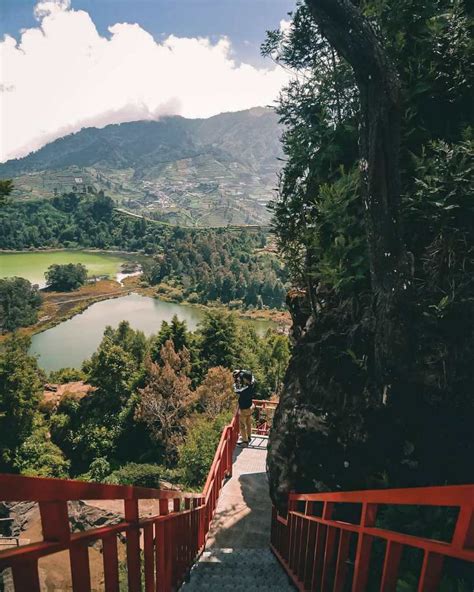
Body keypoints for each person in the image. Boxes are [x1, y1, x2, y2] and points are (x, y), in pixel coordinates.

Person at [233, 369, 255, 447]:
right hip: (250, 406)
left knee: (242, 425)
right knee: (248, 423)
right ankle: (248, 437)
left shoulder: (245, 390)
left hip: (244, 409)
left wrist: (235, 380)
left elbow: (236, 390)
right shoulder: (252, 383)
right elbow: (252, 376)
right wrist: (241, 371)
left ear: (246, 379)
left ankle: (245, 442)